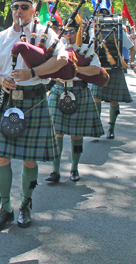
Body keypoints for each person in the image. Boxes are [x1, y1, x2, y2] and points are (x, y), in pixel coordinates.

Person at [0, 0, 68, 230]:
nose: (18, 11)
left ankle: (26, 206)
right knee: (1, 156)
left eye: (23, 6)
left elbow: (62, 60)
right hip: (8, 100)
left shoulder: (45, 34)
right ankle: (5, 208)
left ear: (32, 9)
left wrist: (33, 73)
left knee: (30, 159)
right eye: (14, 7)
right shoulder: (1, 37)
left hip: (35, 100)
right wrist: (1, 81)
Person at [46, 18, 104, 183]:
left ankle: (74, 168)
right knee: (56, 132)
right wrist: (57, 74)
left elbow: (94, 69)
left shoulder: (86, 48)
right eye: (67, 31)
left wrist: (75, 70)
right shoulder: (57, 46)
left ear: (79, 32)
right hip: (58, 90)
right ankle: (55, 171)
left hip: (79, 90)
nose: (69, 34)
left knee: (76, 135)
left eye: (73, 31)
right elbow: (48, 68)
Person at [91, 9, 134, 139]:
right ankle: (97, 127)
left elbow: (131, 47)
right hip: (100, 68)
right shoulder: (93, 31)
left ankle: (111, 128)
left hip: (115, 68)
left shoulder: (118, 30)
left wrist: (132, 62)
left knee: (113, 100)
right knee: (96, 98)